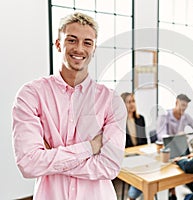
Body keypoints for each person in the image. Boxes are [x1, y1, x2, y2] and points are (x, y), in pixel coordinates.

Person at [12, 12, 127, 200]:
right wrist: (90, 147)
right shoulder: (31, 95)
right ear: (58, 44)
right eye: (72, 40)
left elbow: (109, 166)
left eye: (87, 42)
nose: (79, 48)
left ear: (94, 48)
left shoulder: (111, 101)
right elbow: (28, 163)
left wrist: (51, 157)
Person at [156, 94, 193, 200]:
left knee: (190, 161)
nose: (183, 108)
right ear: (176, 103)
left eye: (186, 106)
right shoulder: (165, 115)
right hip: (166, 149)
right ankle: (173, 192)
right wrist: (177, 136)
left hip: (180, 148)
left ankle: (182, 188)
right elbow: (160, 135)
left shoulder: (185, 116)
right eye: (182, 105)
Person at [120, 92, 147, 200]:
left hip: (140, 155)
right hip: (127, 157)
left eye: (133, 101)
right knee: (144, 174)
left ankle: (133, 196)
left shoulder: (140, 119)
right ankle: (135, 196)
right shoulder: (119, 121)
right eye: (128, 102)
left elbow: (145, 141)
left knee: (149, 171)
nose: (132, 104)